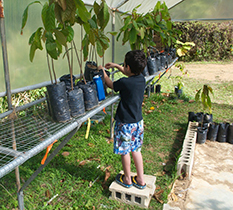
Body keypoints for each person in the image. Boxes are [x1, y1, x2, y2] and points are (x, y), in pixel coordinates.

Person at [99, 50, 147, 189]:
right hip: (137, 122)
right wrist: (116, 66)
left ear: (128, 67)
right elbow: (129, 72)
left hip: (125, 123)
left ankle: (127, 178)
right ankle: (140, 179)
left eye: (124, 65)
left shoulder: (124, 82)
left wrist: (103, 72)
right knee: (136, 150)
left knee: (125, 151)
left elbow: (111, 85)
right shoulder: (141, 79)